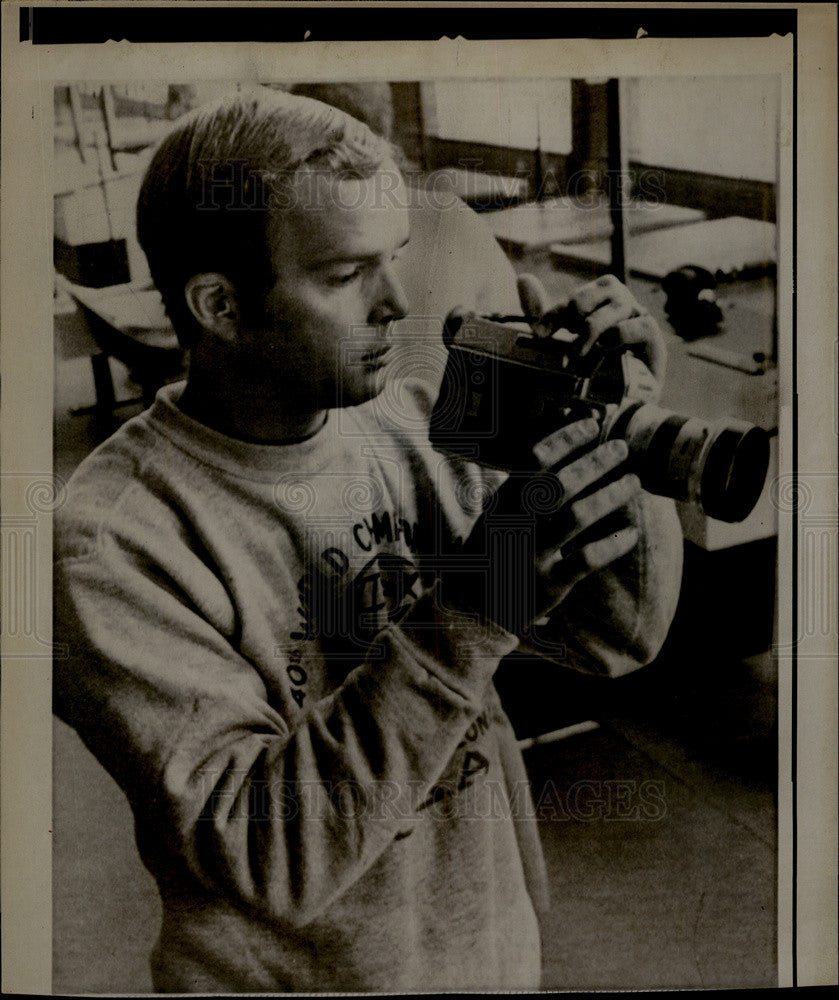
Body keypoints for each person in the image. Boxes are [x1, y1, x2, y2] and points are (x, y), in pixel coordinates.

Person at [54, 87, 683, 993]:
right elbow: (270, 859)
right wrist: (478, 598)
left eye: (392, 260)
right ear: (219, 306)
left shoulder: (410, 422)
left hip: (483, 960)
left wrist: (618, 431)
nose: (395, 304)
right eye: (345, 277)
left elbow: (616, 636)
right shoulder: (111, 547)